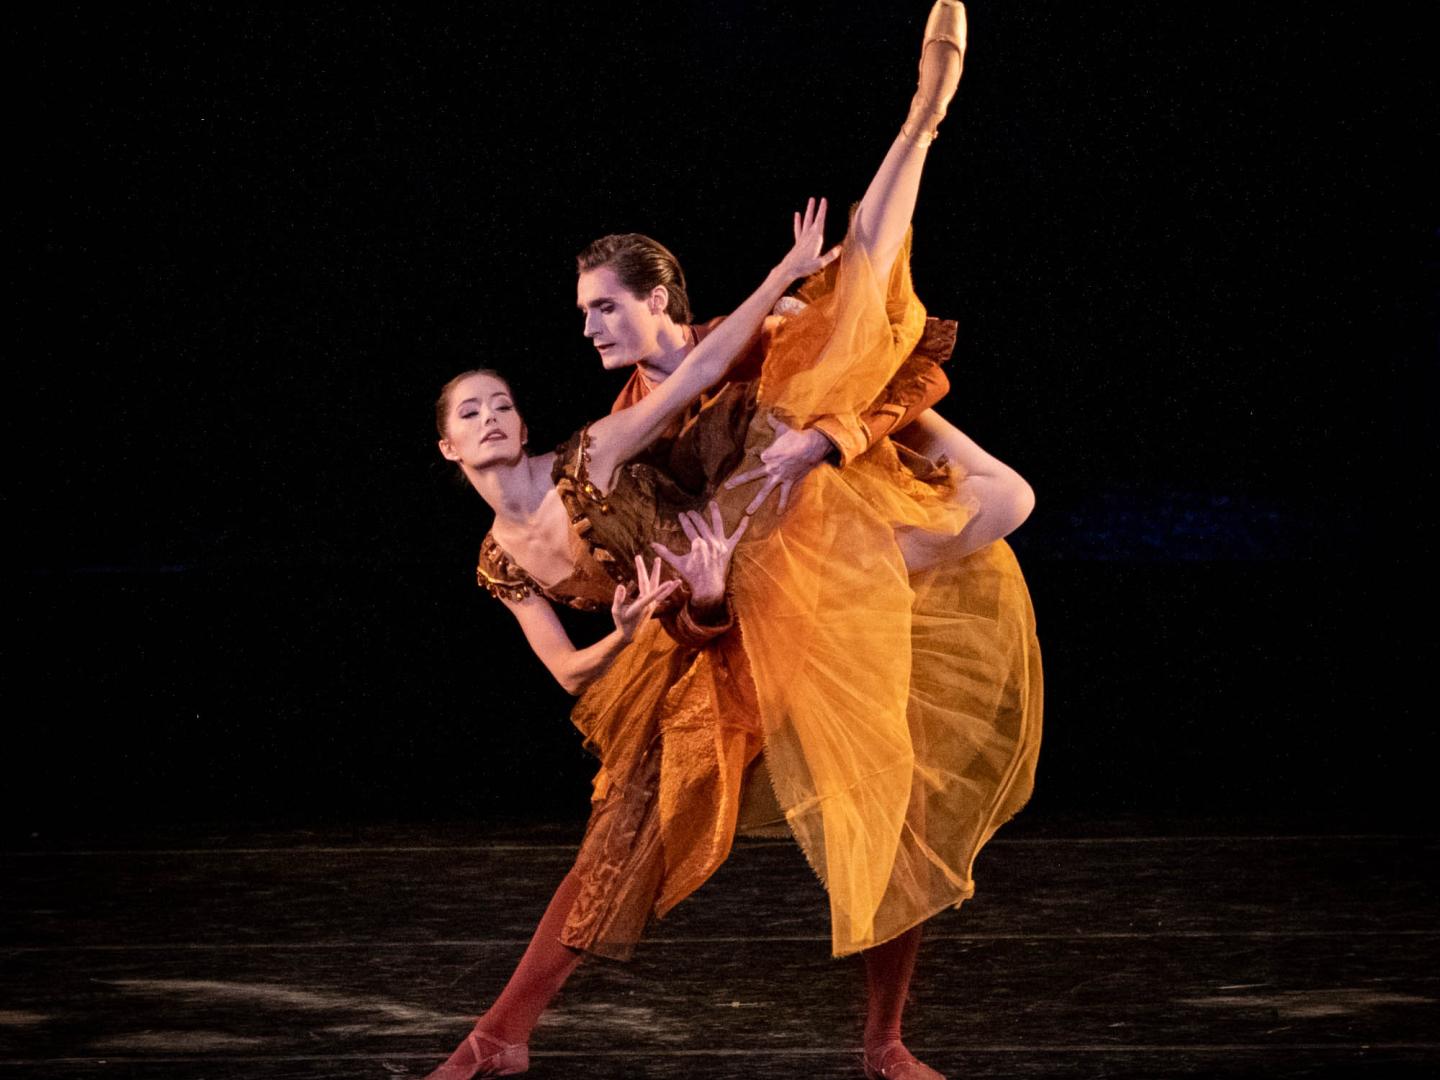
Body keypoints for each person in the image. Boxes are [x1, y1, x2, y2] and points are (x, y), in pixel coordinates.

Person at [425, 5, 1041, 1078]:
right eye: (583, 315)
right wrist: (655, 614)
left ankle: (921, 123)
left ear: (651, 297)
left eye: (600, 309)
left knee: (882, 794)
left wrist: (834, 437)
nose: (588, 331)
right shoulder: (611, 427)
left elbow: (861, 360)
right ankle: (498, 1037)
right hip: (719, 614)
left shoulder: (744, 346)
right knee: (624, 832)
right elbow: (639, 563)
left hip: (817, 557)